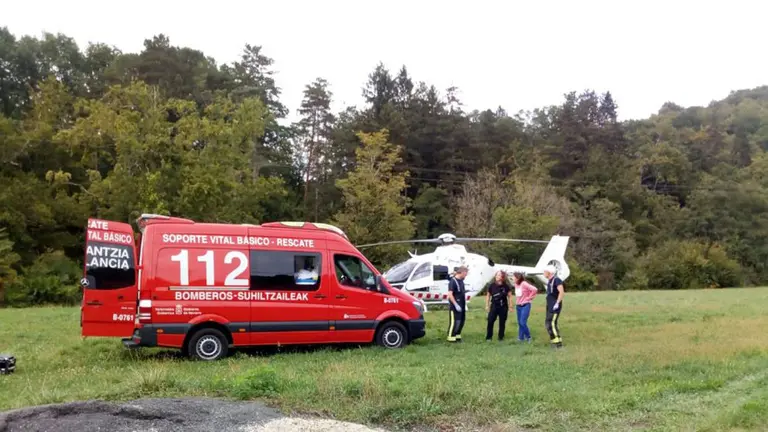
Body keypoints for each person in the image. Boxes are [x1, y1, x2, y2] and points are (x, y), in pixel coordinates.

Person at [485, 270, 512, 341]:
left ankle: (501, 337)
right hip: (494, 306)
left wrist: (510, 306)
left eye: (499, 275)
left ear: (503, 277)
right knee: (490, 321)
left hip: (503, 306)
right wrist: (487, 305)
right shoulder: (491, 285)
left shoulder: (506, 286)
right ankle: (489, 337)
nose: (497, 276)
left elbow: (510, 296)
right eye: (496, 275)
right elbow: (488, 296)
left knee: (502, 322)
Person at [512, 271, 537, 342]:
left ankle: (528, 337)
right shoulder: (516, 284)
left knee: (522, 322)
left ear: (517, 278)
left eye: (513, 277)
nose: (512, 278)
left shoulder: (524, 283)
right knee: (520, 323)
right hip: (518, 306)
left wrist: (529, 297)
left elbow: (535, 289)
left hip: (525, 305)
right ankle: (521, 338)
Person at [543, 264, 565, 348]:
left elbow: (561, 292)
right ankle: (554, 341)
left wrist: (557, 303)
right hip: (550, 305)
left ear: (549, 272)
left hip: (554, 306)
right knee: (549, 323)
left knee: (551, 324)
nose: (544, 273)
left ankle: (558, 344)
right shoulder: (550, 281)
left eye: (545, 271)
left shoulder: (557, 280)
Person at [447, 266, 468, 343]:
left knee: (461, 321)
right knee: (455, 322)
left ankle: (457, 336)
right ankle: (451, 337)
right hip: (455, 306)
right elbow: (450, 294)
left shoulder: (461, 281)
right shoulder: (453, 281)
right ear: (462, 272)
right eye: (466, 273)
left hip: (462, 304)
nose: (466, 275)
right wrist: (455, 304)